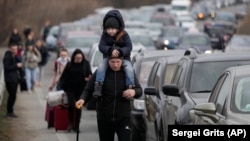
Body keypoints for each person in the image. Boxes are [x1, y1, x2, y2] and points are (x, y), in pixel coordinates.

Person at [75, 56, 142, 141]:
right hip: (104, 117)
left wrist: (134, 92)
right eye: (112, 62)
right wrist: (82, 99)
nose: (115, 65)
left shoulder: (128, 73)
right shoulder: (100, 73)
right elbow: (88, 89)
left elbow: (139, 90)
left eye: (118, 62)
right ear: (108, 62)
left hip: (124, 117)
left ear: (122, 62)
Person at [93, 9, 135, 98]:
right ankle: (98, 86)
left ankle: (130, 87)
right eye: (108, 29)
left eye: (113, 29)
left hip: (124, 58)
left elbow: (129, 46)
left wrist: (120, 52)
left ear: (117, 28)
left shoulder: (124, 34)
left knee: (129, 70)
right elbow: (101, 46)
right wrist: (110, 50)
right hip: (108, 58)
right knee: (101, 68)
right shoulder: (104, 35)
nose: (110, 31)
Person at [59, 49, 92, 132]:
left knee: (78, 107)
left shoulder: (86, 64)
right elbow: (63, 77)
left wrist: (88, 79)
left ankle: (77, 126)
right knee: (71, 105)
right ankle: (70, 123)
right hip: (70, 88)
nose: (78, 60)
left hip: (81, 89)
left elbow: (90, 75)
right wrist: (64, 87)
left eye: (80, 58)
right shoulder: (70, 65)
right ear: (74, 57)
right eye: (77, 58)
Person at [3, 44, 22, 118]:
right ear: (10, 49)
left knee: (13, 96)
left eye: (16, 49)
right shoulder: (7, 57)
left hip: (15, 78)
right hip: (9, 79)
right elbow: (7, 67)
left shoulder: (15, 57)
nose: (15, 51)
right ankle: (9, 111)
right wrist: (16, 66)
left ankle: (10, 111)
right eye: (13, 49)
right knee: (12, 95)